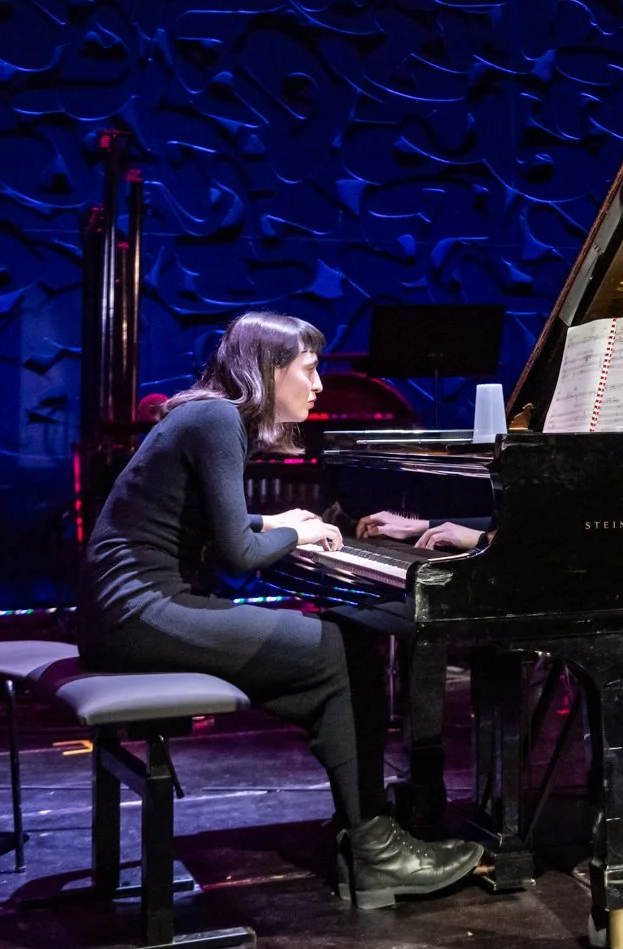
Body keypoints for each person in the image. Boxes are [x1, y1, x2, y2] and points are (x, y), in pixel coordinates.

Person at [78, 311, 484, 909]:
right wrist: (293, 535)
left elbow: (214, 525)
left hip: (132, 608)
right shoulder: (217, 419)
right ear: (269, 371)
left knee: (343, 651)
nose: (319, 384)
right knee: (333, 650)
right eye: (310, 368)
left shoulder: (207, 413)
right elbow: (239, 557)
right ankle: (373, 849)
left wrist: (276, 521)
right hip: (138, 611)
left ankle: (363, 831)